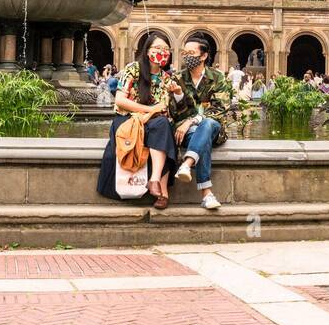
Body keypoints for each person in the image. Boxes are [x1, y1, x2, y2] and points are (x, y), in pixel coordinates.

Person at [97, 32, 179, 210]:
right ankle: (163, 192)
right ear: (147, 50)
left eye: (165, 49)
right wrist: (149, 110)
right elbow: (120, 100)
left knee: (164, 126)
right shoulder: (133, 69)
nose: (162, 52)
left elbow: (164, 108)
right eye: (157, 48)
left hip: (153, 121)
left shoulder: (167, 78)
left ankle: (155, 180)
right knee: (162, 130)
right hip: (127, 119)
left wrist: (177, 94)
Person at [169, 36, 233, 211]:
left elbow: (220, 108)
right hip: (186, 132)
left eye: (191, 53)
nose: (187, 56)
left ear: (203, 56)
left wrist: (193, 120)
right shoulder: (178, 78)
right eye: (185, 53)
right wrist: (179, 95)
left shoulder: (217, 77)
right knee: (202, 136)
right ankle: (206, 194)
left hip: (213, 128)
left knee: (207, 124)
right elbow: (174, 113)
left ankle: (187, 163)